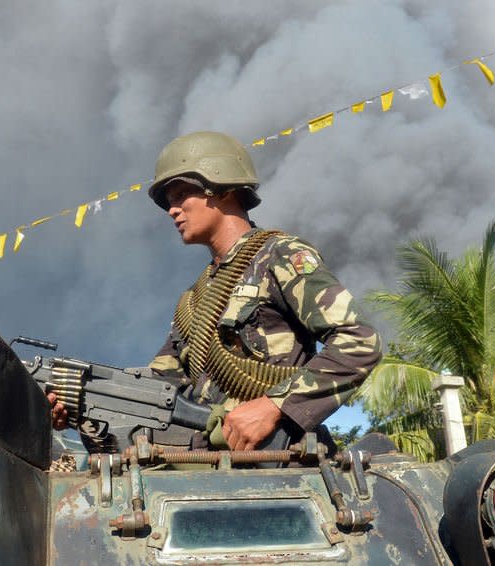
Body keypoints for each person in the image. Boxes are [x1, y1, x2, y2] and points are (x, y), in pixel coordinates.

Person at [50, 131, 381, 450]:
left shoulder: (278, 255)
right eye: (168, 200)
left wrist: (273, 406)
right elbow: (161, 386)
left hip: (285, 466)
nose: (172, 209)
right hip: (211, 470)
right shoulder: (194, 299)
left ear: (221, 187)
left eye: (180, 194)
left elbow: (359, 342)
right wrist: (84, 399)